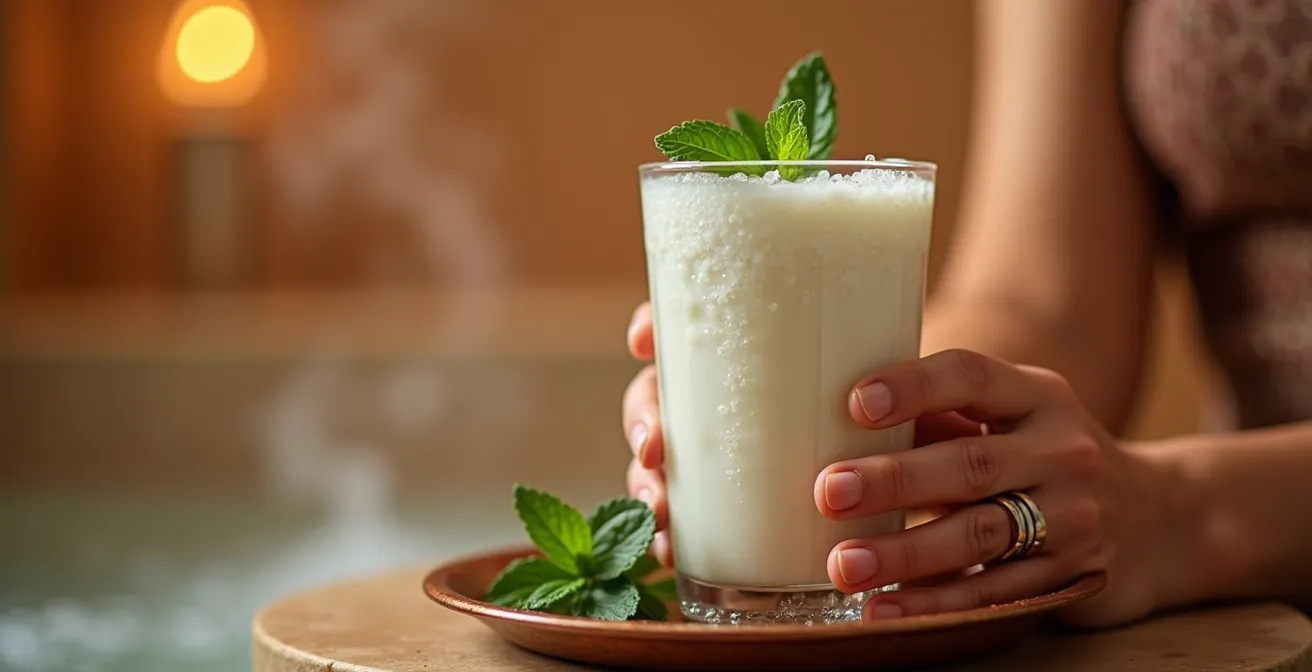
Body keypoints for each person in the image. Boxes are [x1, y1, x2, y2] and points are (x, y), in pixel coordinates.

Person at [619, 0, 1312, 628]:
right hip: (1241, 605)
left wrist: (1181, 513)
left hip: (1229, 560)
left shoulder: (1185, 521)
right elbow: (1041, 301)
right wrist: (868, 419)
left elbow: (1171, 515)